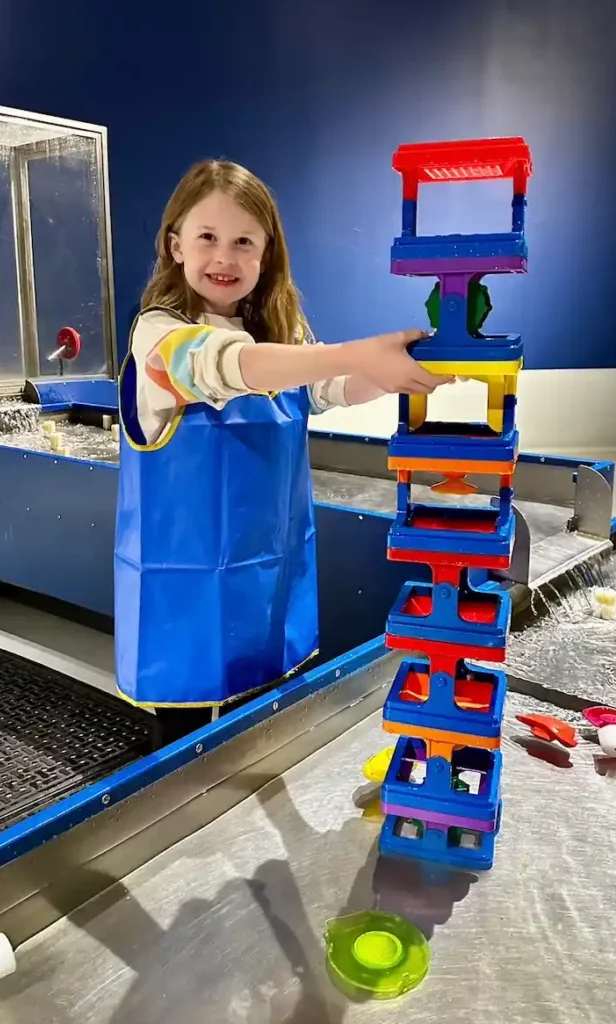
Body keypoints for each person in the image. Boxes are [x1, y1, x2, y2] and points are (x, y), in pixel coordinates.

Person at [114, 159, 449, 731]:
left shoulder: (281, 336)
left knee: (264, 735)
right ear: (176, 245)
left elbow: (331, 387)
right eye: (208, 238)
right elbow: (223, 366)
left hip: (270, 585)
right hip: (186, 609)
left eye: (244, 241)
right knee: (190, 763)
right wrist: (352, 352)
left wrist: (413, 367)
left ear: (265, 254)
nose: (225, 257)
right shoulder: (159, 333)